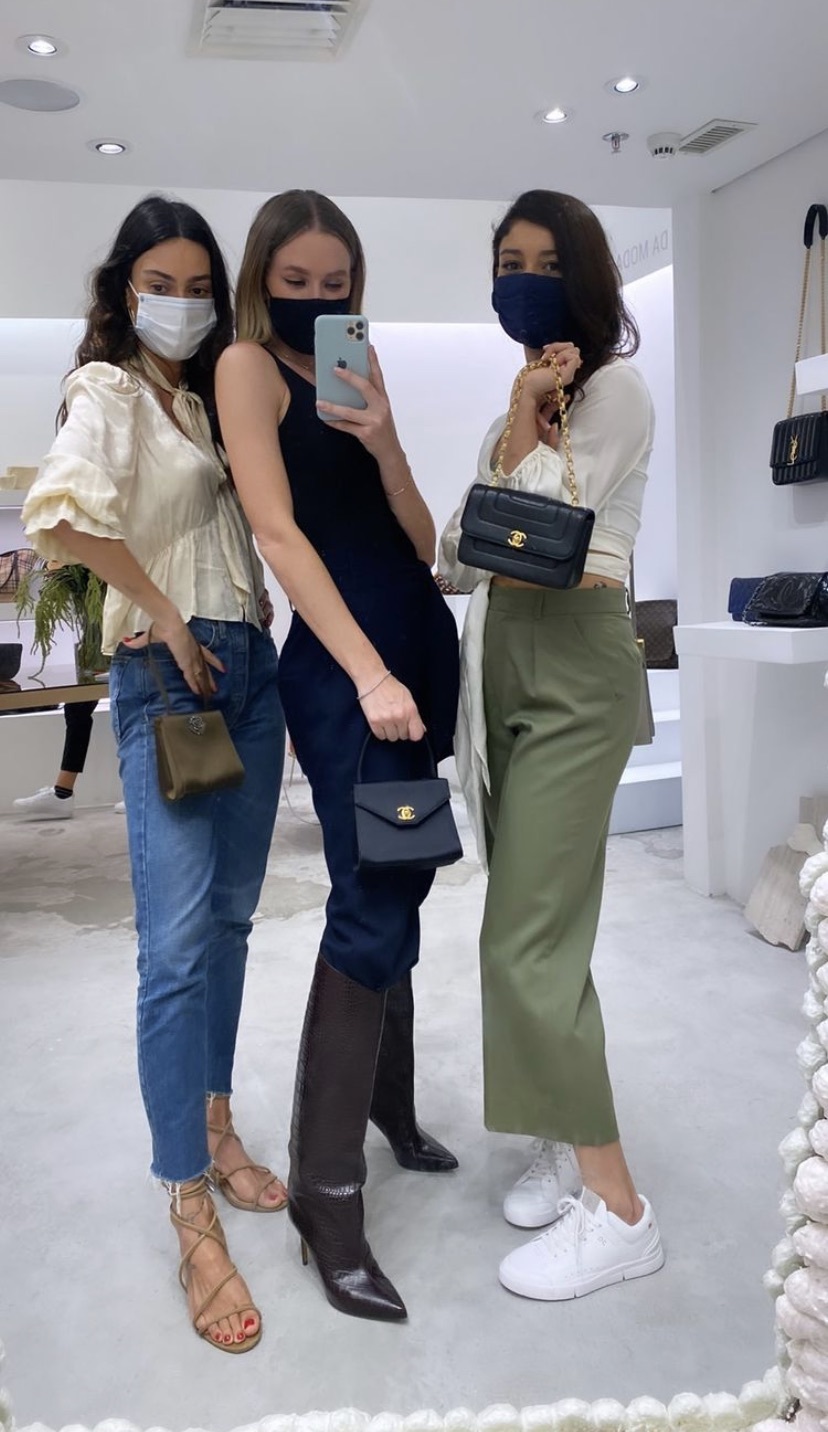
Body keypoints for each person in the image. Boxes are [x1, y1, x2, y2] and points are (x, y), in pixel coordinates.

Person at [22, 195, 286, 1354]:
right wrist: (169, 614)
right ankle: (187, 1200)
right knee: (175, 948)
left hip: (252, 674)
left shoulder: (212, 398)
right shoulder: (110, 390)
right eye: (159, 284)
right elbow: (60, 517)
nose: (180, 303)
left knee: (230, 922)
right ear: (126, 290)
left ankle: (215, 1123)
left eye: (197, 285)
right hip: (171, 675)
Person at [216, 189, 459, 1322]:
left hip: (415, 651)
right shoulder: (247, 368)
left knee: (402, 873)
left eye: (337, 284)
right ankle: (326, 1194)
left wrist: (387, 439)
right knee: (368, 894)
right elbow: (277, 531)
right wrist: (367, 675)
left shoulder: (357, 371)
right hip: (350, 673)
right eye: (296, 282)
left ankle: (387, 1107)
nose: (317, 299)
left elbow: (418, 540)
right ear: (262, 278)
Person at [439, 189, 664, 1302]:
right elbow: (456, 551)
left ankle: (621, 1211)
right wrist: (520, 419)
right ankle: (558, 1133)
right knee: (520, 928)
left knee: (530, 937)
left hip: (576, 662)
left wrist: (523, 434)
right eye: (505, 263)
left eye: (542, 261)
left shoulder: (615, 391)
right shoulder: (523, 399)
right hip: (503, 660)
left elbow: (532, 531)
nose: (520, 281)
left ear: (584, 274)